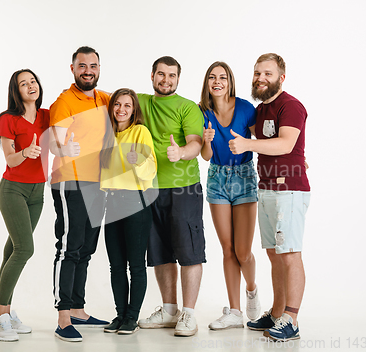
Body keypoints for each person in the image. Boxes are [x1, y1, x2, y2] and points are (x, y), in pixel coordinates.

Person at [229, 53, 310, 342]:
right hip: (266, 189)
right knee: (274, 255)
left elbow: (287, 143)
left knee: (289, 254)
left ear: (281, 78)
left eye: (267, 73)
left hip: (289, 190)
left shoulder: (291, 106)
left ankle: (292, 320)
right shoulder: (261, 109)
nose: (260, 78)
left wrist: (248, 144)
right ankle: (277, 314)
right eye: (256, 73)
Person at [137, 56, 205, 337]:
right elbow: (112, 102)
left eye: (172, 76)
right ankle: (169, 310)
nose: (166, 80)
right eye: (161, 74)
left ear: (178, 79)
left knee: (189, 251)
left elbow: (196, 143)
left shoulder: (187, 107)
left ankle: (189, 314)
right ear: (152, 76)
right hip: (150, 188)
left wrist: (181, 153)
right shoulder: (140, 102)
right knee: (160, 251)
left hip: (183, 187)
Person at [49, 46, 111, 342]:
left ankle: (77, 309)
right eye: (83, 65)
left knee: (86, 248)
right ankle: (63, 318)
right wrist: (63, 149)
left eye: (94, 65)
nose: (89, 70)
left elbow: (131, 105)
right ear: (73, 69)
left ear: (99, 68)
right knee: (69, 248)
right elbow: (54, 143)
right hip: (69, 182)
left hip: (97, 183)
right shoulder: (64, 101)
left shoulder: (103, 98)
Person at [0, 69, 50, 342]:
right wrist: (25, 152)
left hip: (37, 192)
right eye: (24, 83)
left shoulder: (46, 116)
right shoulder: (8, 119)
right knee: (25, 248)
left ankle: (6, 313)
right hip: (13, 190)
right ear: (17, 91)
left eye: (33, 81)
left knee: (13, 248)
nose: (30, 86)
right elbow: (10, 160)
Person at [199, 61, 261, 330]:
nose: (217, 81)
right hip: (217, 178)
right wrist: (207, 141)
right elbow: (206, 156)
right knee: (227, 249)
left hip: (244, 177)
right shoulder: (202, 111)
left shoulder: (246, 108)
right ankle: (234, 312)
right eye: (212, 77)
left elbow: (261, 142)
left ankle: (251, 290)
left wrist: (294, 157)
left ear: (230, 82)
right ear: (207, 83)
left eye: (222, 77)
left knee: (243, 252)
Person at [99, 88, 157, 335]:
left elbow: (151, 168)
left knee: (135, 265)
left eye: (127, 106)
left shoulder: (140, 132)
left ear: (134, 110)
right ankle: (120, 314)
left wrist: (138, 161)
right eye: (117, 105)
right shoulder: (108, 135)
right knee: (116, 266)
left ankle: (132, 317)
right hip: (111, 203)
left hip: (135, 203)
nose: (121, 109)